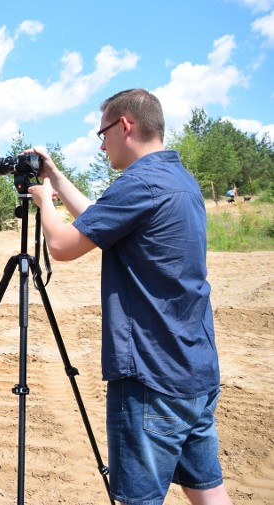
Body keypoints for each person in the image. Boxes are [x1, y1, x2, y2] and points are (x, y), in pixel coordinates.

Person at [26, 89, 233, 505]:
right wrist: (57, 177)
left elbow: (63, 247)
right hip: (193, 370)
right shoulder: (179, 179)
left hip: (151, 377)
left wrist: (44, 203)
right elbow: (99, 222)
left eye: (102, 133)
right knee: (207, 490)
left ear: (125, 125)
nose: (101, 145)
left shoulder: (139, 183)